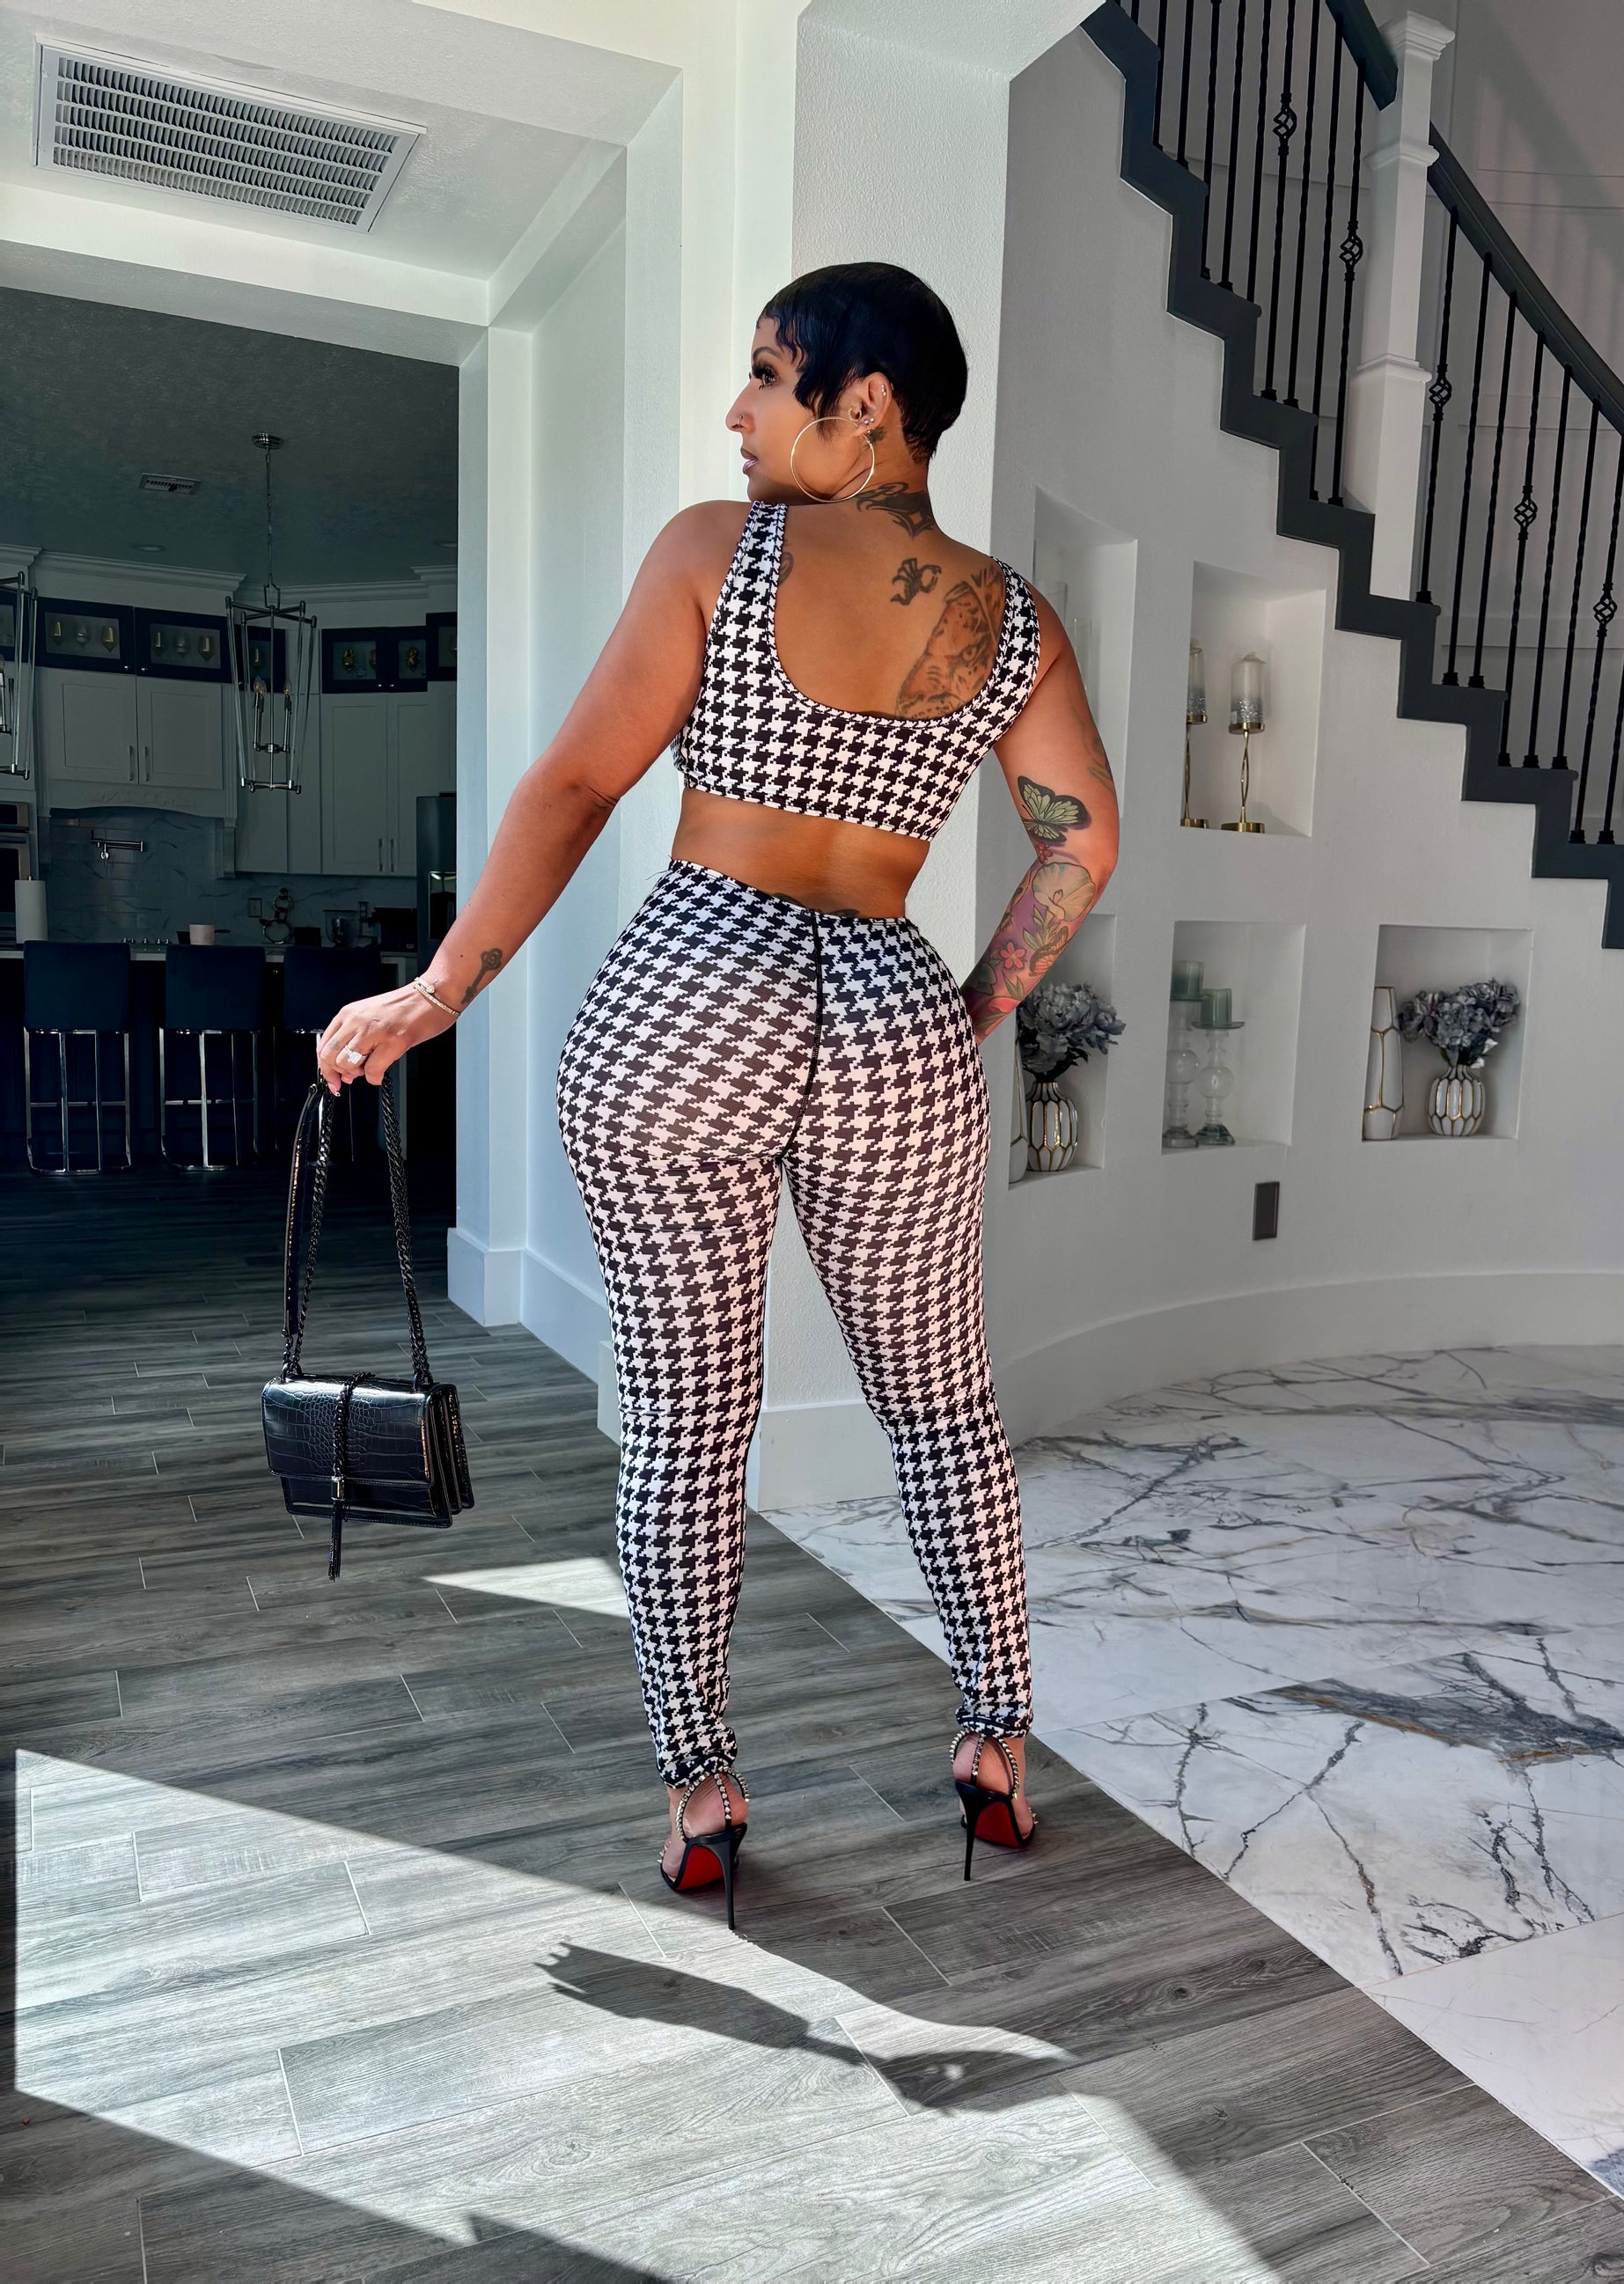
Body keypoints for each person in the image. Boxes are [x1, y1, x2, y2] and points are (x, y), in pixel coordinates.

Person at [315, 261, 1121, 1926]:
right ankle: (993, 1746)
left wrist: (437, 989)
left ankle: (701, 1787)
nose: (736, 411)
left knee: (690, 1421)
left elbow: (577, 783)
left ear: (864, 402)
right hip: (890, 1009)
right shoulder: (1014, 619)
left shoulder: (720, 550)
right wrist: (966, 1011)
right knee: (942, 1405)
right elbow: (1080, 847)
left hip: (695, 990)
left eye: (766, 373)